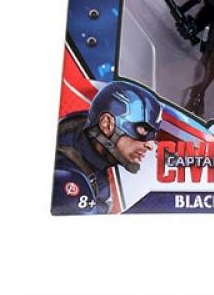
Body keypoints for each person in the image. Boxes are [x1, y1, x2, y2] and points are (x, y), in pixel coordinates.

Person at [52, 81, 162, 214]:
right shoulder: (66, 177)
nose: (150, 145)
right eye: (144, 130)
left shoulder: (93, 153)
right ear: (106, 124)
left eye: (154, 136)